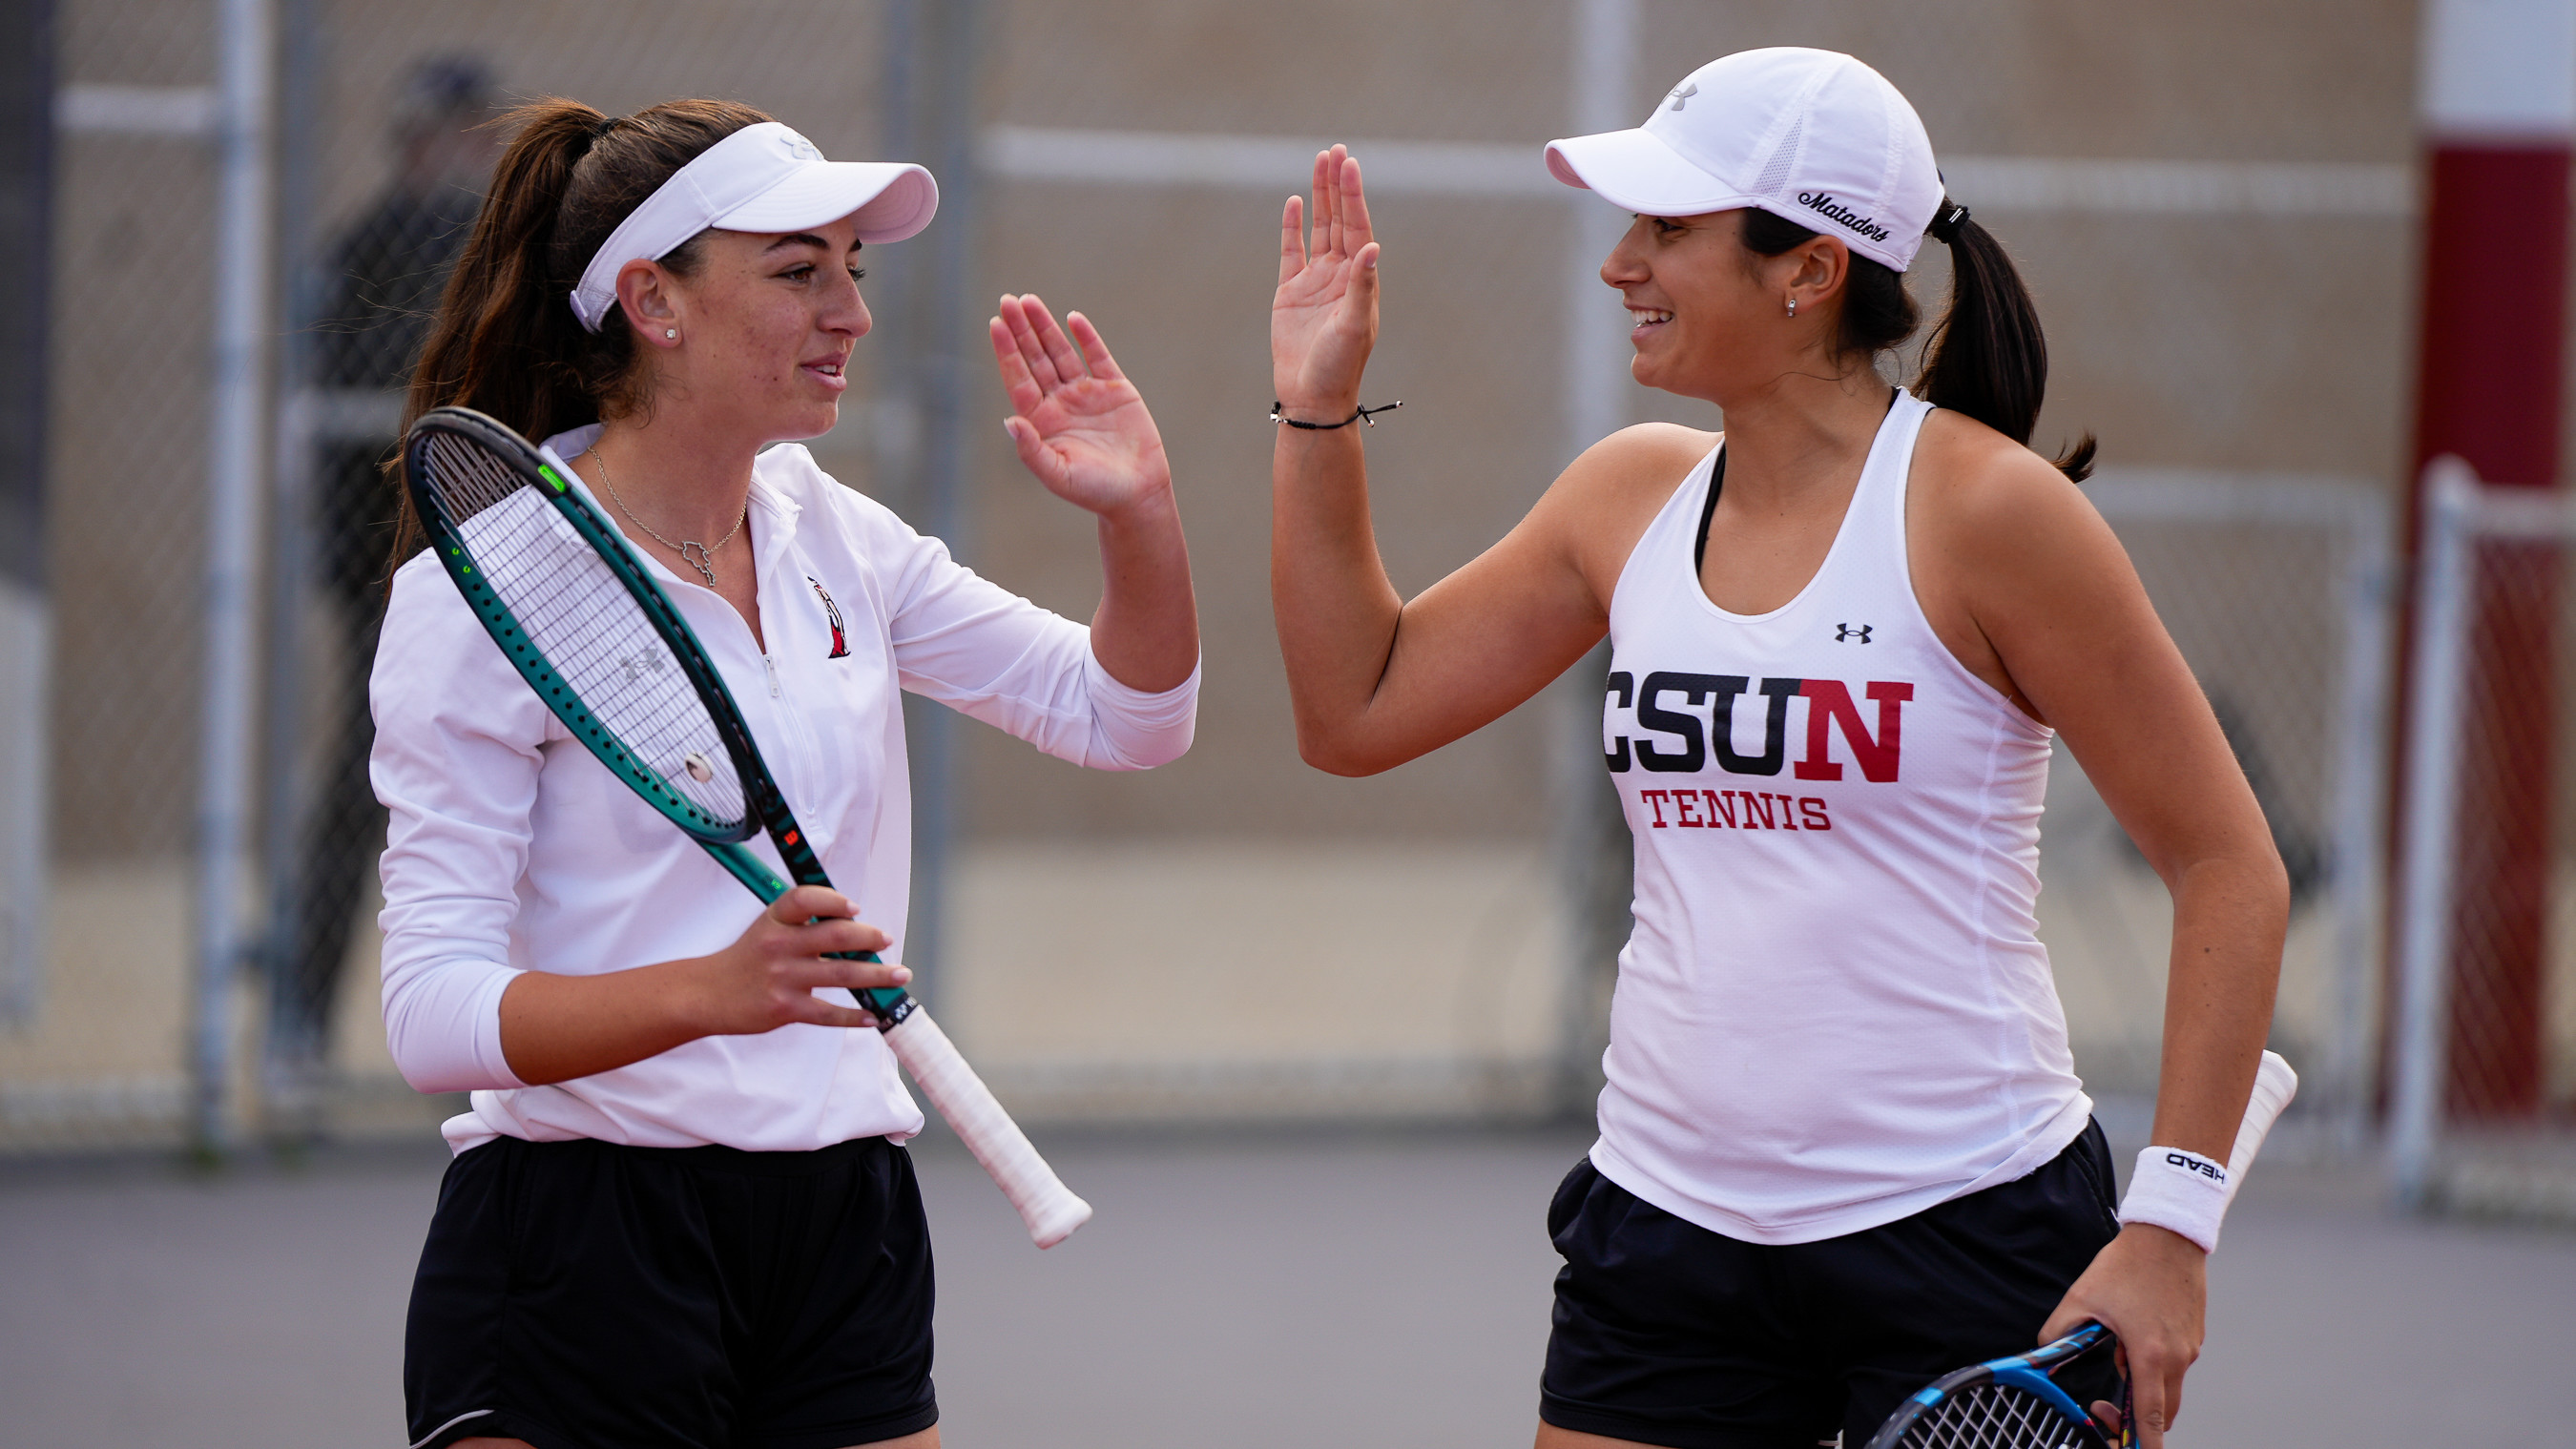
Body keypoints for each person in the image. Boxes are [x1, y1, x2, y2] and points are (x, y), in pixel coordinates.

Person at [1265, 49, 2283, 1449]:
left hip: (1965, 1224)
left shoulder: (1992, 515)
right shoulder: (1626, 496)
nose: (1621, 263)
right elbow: (1353, 712)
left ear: (1807, 271)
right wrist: (1319, 410)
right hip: (1668, 1229)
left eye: (1669, 231)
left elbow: (2228, 858)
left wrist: (2172, 1223)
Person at [374, 97, 1198, 1449]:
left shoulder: (834, 530)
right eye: (798, 271)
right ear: (654, 299)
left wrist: (1141, 516)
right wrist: (720, 991)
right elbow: (431, 1014)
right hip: (583, 1236)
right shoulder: (486, 586)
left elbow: (1127, 715)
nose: (851, 315)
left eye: (853, 274)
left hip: (841, 1228)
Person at [269, 55, 501, 1117]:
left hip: (503, 565)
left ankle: (496, 1033)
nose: (460, 158)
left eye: (474, 139)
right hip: (394, 576)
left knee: (519, 794)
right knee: (365, 792)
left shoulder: (500, 260)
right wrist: (361, 575)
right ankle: (299, 1029)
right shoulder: (364, 252)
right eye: (444, 135)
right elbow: (330, 444)